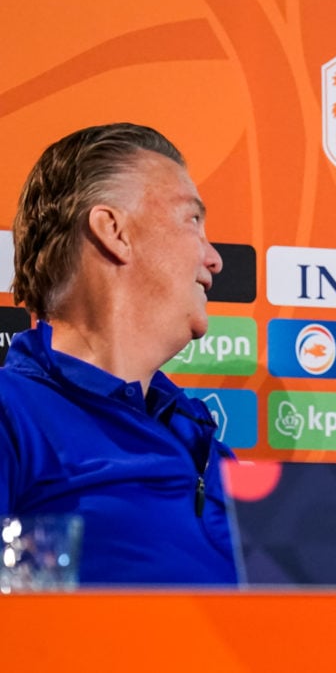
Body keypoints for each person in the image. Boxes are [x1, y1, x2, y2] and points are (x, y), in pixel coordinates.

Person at [0, 123, 237, 585]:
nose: (214, 259)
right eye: (192, 220)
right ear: (114, 231)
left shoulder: (207, 444)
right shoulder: (11, 415)